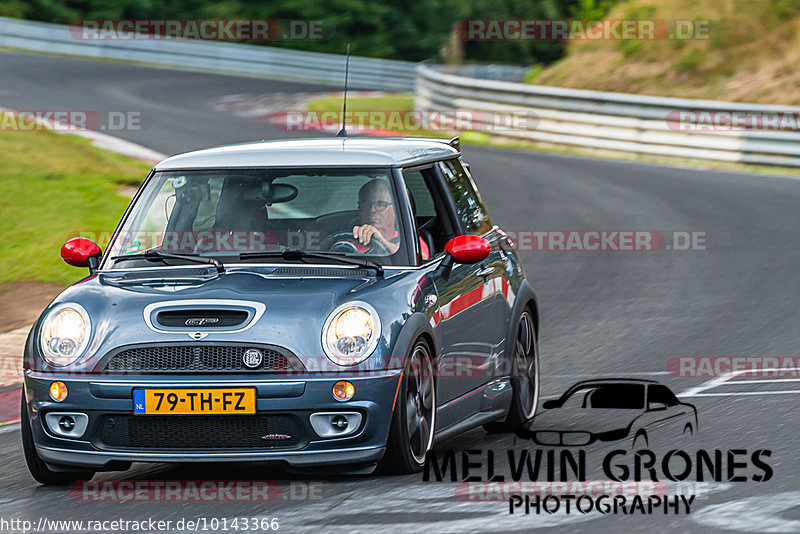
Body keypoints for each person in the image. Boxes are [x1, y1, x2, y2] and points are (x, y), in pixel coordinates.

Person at [350, 179, 430, 259]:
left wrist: (381, 242)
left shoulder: (410, 240)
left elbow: (420, 260)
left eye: (381, 205)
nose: (372, 210)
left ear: (395, 209)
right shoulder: (347, 242)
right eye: (365, 205)